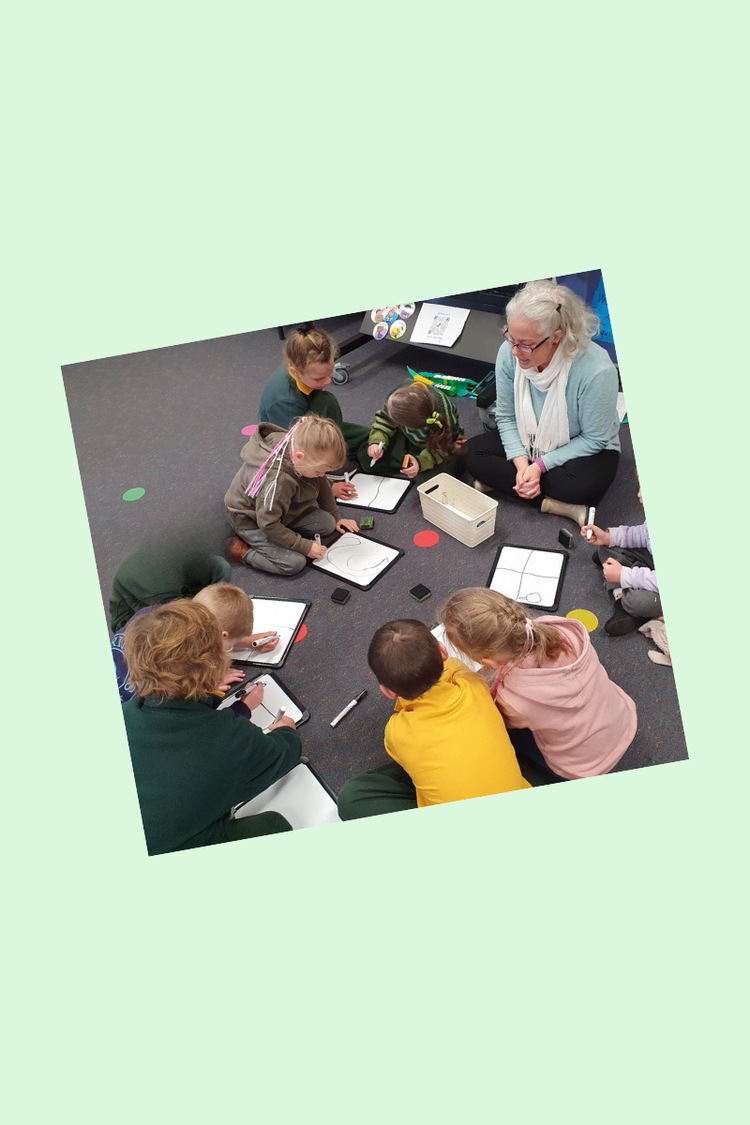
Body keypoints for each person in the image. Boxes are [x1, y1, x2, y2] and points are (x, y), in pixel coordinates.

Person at [121, 600, 301, 855]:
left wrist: (223, 701)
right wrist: (286, 731)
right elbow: (283, 753)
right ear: (215, 666)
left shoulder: (128, 711)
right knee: (274, 826)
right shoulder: (229, 739)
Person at [337, 619, 531, 820]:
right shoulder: (472, 683)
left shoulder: (396, 732)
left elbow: (400, 759)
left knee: (352, 798)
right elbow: (453, 667)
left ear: (387, 692)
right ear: (443, 651)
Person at [463, 281, 621, 525]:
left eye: (525, 344)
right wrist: (522, 465)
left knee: (586, 487)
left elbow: (594, 439)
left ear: (556, 338)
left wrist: (539, 466)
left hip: (580, 443)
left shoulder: (597, 370)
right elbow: (506, 416)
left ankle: (500, 483)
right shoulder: (509, 352)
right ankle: (559, 507)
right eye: (511, 338)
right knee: (469, 453)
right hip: (530, 437)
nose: (515, 352)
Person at [439, 588, 637, 780]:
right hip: (623, 720)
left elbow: (496, 719)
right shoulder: (561, 630)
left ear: (487, 662)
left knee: (499, 732)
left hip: (584, 768)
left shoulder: (514, 699)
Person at [224, 414, 359, 576]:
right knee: (294, 563)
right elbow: (268, 524)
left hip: (280, 508)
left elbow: (321, 484)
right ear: (299, 457)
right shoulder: (278, 482)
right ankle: (245, 553)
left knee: (328, 524)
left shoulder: (301, 449)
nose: (321, 475)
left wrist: (336, 516)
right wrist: (304, 546)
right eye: (318, 471)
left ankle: (287, 531)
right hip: (252, 520)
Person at [112, 582, 279, 703]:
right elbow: (180, 698)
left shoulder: (156, 615)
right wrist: (209, 684)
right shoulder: (179, 665)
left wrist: (245, 641)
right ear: (222, 635)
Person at [257, 323, 370, 499]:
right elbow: (293, 456)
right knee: (327, 402)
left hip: (308, 419)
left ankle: (339, 448)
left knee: (366, 435)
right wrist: (327, 488)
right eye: (319, 378)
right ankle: (330, 462)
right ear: (296, 371)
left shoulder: (303, 367)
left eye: (330, 372)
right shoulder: (285, 402)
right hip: (285, 446)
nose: (327, 381)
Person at [109, 536, 231, 633]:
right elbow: (179, 625)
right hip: (139, 619)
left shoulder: (212, 564)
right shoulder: (158, 583)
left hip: (179, 592)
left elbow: (221, 575)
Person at [583, 489, 661, 635]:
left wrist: (624, 575)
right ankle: (625, 584)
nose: (639, 494)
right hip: (651, 562)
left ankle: (622, 601)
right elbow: (641, 534)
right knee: (605, 547)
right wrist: (607, 537)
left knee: (637, 602)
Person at [363, 381, 466, 479]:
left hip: (443, 443)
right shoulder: (397, 397)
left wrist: (421, 462)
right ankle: (410, 457)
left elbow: (445, 445)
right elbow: (385, 420)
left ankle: (457, 463)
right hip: (412, 439)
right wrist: (376, 442)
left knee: (430, 479)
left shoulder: (443, 414)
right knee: (366, 460)